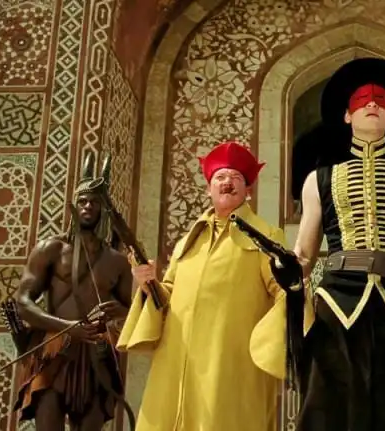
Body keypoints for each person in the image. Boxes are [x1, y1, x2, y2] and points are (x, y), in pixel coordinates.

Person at [263, 57, 385, 431]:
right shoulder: (318, 178)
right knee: (332, 407)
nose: (372, 103)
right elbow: (304, 254)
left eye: (381, 100)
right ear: (346, 116)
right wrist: (287, 267)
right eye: (362, 100)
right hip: (337, 301)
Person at [116, 141, 285, 430]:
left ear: (248, 191)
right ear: (208, 189)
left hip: (230, 366)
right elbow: (168, 295)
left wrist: (267, 348)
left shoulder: (267, 237)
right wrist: (148, 284)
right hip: (176, 362)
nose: (227, 182)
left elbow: (285, 293)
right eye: (220, 177)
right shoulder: (187, 241)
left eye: (236, 177)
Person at [12, 154, 133, 431]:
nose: (88, 206)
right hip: (54, 350)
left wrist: (121, 312)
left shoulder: (117, 261)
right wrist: (66, 327)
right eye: (83, 201)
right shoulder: (50, 249)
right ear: (74, 206)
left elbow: (134, 312)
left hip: (96, 356)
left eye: (95, 202)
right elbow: (22, 302)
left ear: (104, 209)